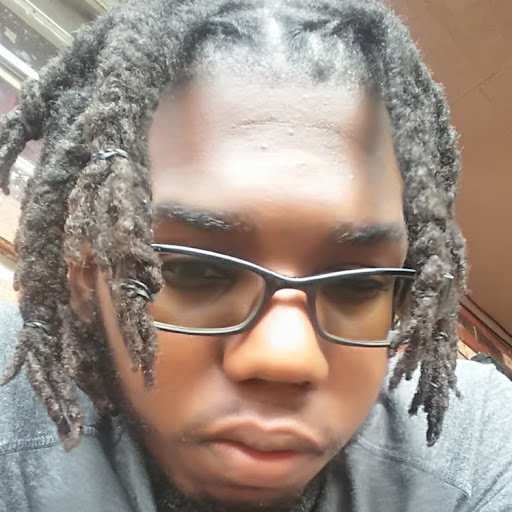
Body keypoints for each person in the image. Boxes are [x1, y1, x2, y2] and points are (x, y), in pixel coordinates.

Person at [0, 0, 511, 510]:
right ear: (84, 275)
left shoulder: (474, 449)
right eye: (195, 270)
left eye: (358, 285)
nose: (286, 356)